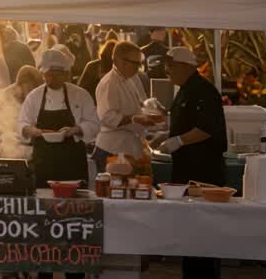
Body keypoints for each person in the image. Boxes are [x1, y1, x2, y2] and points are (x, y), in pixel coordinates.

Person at [160, 46, 227, 279]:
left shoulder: (203, 91)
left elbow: (206, 129)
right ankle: (189, 278)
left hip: (203, 167)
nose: (168, 73)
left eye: (171, 67)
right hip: (185, 167)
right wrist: (167, 136)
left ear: (186, 66)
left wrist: (178, 141)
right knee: (188, 223)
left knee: (205, 223)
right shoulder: (185, 91)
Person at [19, 49, 99, 187]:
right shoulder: (34, 96)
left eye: (57, 75)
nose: (52, 79)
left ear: (66, 74)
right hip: (43, 162)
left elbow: (95, 124)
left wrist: (75, 130)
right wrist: (34, 131)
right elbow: (22, 123)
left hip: (72, 162)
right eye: (48, 75)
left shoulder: (81, 95)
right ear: (43, 74)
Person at [91, 41, 161, 172]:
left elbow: (142, 103)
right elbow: (107, 117)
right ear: (120, 61)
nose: (138, 67)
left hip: (131, 148)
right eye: (136, 63)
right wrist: (134, 119)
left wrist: (151, 109)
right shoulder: (109, 82)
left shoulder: (133, 78)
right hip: (112, 150)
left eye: (139, 63)